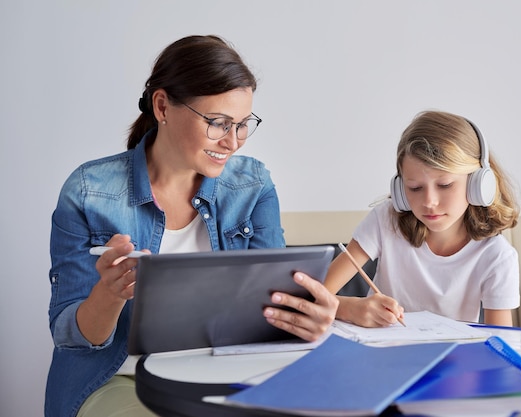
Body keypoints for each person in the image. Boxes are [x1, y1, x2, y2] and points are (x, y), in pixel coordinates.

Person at [45, 35, 338, 417]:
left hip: (229, 375)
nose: (233, 142)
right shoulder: (89, 192)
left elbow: (277, 307)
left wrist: (308, 322)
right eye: (217, 123)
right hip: (119, 379)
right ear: (163, 106)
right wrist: (111, 293)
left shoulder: (253, 186)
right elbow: (72, 336)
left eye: (243, 124)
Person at [324, 110, 520, 328]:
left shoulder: (497, 256)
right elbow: (315, 296)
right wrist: (350, 308)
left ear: (478, 184)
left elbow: (501, 344)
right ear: (400, 189)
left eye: (445, 185)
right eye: (415, 188)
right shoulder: (385, 220)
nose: (429, 202)